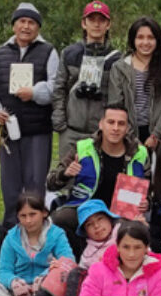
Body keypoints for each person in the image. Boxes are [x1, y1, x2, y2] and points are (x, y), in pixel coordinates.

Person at [0, 199, 122, 296]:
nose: (97, 226)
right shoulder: (88, 252)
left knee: (72, 272)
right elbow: (2, 271)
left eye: (100, 219)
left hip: (115, 294)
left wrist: (49, 273)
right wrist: (16, 282)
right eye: (90, 224)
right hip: (27, 289)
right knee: (65, 272)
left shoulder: (123, 237)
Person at [0, 3, 59, 227]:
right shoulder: (1, 53)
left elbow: (56, 85)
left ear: (38, 27)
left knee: (35, 183)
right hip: (8, 130)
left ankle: (36, 228)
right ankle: (11, 229)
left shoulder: (49, 51)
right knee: (10, 184)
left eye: (31, 22)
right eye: (21, 21)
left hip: (38, 130)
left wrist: (35, 93)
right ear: (14, 25)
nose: (26, 26)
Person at [47, 104, 149, 255]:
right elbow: (51, 183)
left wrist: (147, 203)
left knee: (131, 227)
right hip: (85, 208)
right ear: (101, 124)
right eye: (110, 122)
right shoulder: (83, 147)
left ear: (127, 128)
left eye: (121, 124)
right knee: (60, 218)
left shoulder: (139, 152)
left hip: (121, 212)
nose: (115, 128)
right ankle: (75, 260)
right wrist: (65, 174)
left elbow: (150, 189)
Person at [0, 193, 75, 296]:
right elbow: (3, 270)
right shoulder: (11, 237)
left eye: (33, 214)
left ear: (44, 213)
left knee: (64, 278)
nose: (28, 220)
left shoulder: (57, 234)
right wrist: (14, 282)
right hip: (19, 291)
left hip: (44, 290)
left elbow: (68, 259)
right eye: (23, 216)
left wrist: (45, 276)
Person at [52, 0, 122, 158]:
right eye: (92, 20)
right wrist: (60, 121)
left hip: (100, 133)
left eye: (101, 20)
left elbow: (118, 97)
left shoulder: (116, 59)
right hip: (70, 130)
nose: (96, 25)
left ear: (108, 25)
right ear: (84, 23)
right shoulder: (69, 54)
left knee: (97, 179)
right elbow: (59, 89)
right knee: (67, 177)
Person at [107, 16, 161, 147]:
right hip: (127, 135)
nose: (145, 42)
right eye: (140, 37)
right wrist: (131, 138)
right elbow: (116, 104)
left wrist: (156, 135)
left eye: (150, 38)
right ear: (133, 40)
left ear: (157, 40)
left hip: (160, 135)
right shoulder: (120, 67)